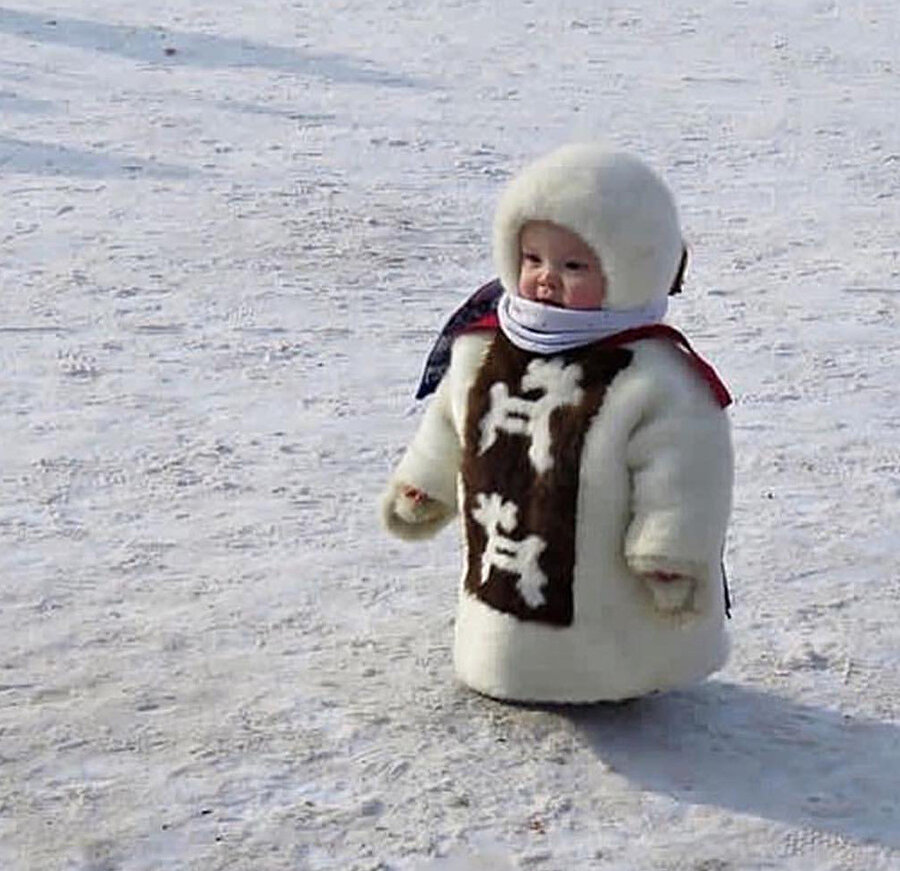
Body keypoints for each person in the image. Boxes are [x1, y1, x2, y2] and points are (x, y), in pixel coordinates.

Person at [380, 143, 734, 703]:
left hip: (610, 632)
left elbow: (687, 476)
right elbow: (452, 422)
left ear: (630, 266)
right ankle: (509, 665)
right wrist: (424, 482)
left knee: (596, 615)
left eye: (573, 265)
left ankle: (613, 679)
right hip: (502, 601)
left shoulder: (655, 380)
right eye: (533, 259)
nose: (546, 279)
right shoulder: (485, 348)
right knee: (502, 602)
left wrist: (671, 551)